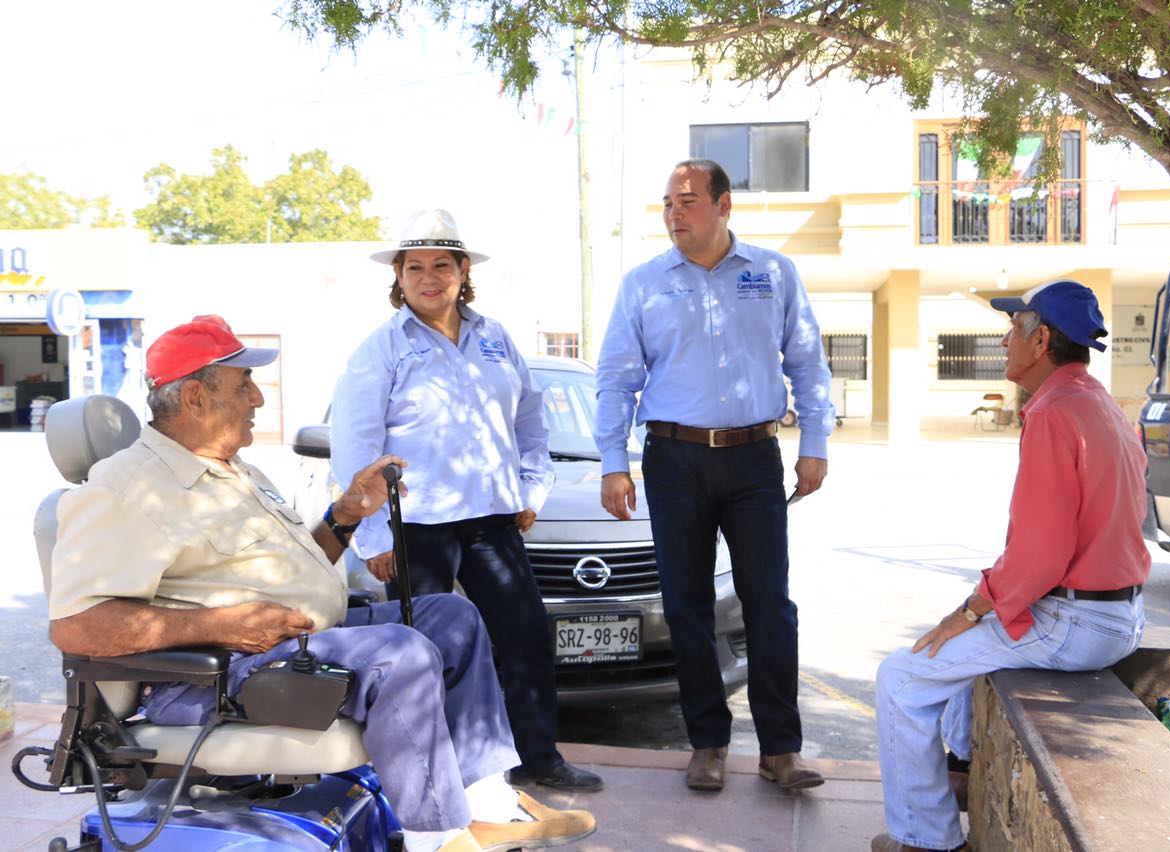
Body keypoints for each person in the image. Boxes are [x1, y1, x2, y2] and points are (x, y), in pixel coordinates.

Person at [47, 315, 596, 852]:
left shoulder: (233, 470)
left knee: (450, 617)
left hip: (290, 645)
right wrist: (220, 625)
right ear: (194, 397)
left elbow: (297, 565)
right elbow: (77, 629)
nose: (258, 399)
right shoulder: (127, 488)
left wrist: (347, 514)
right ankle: (439, 839)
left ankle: (487, 808)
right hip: (213, 679)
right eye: (244, 385)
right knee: (400, 651)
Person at [870, 280, 1150, 852]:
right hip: (1118, 614)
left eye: (1012, 327)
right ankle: (960, 776)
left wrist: (971, 609)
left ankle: (928, 841)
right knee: (952, 661)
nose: (1003, 340)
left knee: (901, 678)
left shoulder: (1053, 413)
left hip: (1075, 624)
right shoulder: (1103, 405)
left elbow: (1039, 556)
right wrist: (979, 611)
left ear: (1040, 338)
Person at [330, 210, 602, 793]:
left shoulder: (496, 338)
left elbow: (531, 418)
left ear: (463, 271)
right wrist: (376, 537)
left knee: (525, 634)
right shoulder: (380, 350)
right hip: (416, 526)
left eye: (442, 265)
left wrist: (531, 488)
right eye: (416, 267)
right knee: (424, 654)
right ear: (399, 276)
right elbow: (355, 448)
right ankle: (436, 773)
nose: (430, 278)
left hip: (491, 523)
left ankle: (538, 757)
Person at [594, 159, 835, 793]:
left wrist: (815, 442)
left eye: (689, 201)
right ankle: (708, 742)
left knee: (770, 604)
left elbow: (808, 363)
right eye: (668, 203)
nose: (674, 214)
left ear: (724, 205)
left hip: (755, 458)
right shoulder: (643, 284)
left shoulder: (773, 273)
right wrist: (614, 463)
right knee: (686, 605)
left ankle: (781, 749)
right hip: (673, 460)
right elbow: (617, 380)